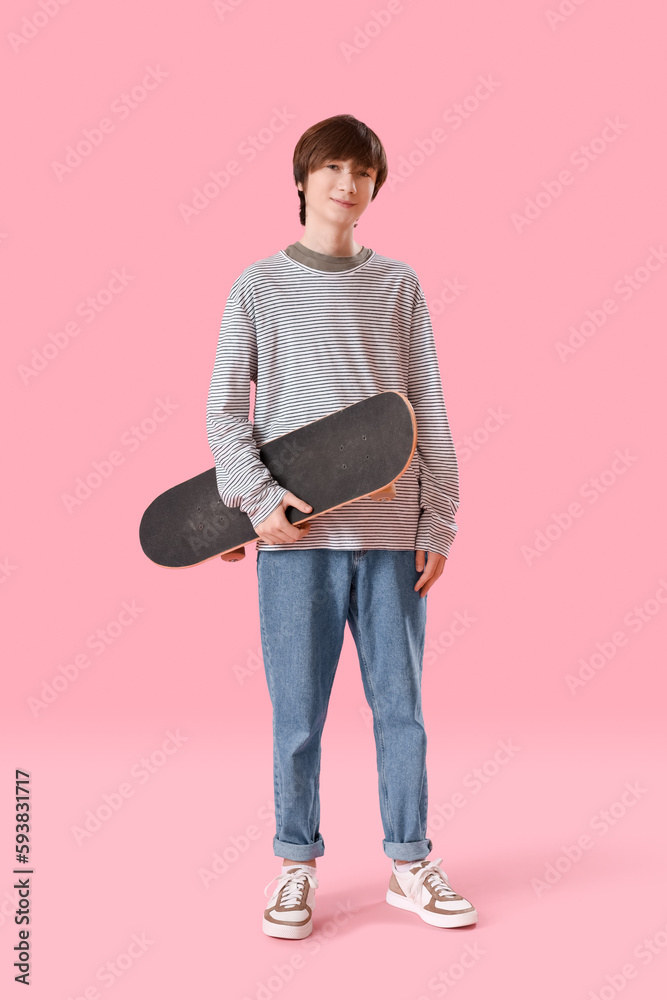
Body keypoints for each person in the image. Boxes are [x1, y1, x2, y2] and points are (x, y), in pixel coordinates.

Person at [206, 114, 477, 937]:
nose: (345, 184)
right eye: (330, 168)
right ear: (301, 180)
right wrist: (256, 502)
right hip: (297, 543)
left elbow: (425, 402)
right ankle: (294, 866)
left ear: (373, 187)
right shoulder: (256, 286)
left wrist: (441, 517)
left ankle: (409, 862)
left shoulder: (398, 284)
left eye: (360, 172)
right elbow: (226, 415)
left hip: (392, 535)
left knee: (402, 711)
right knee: (297, 716)